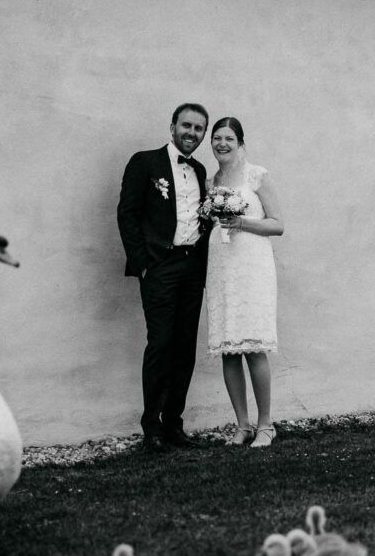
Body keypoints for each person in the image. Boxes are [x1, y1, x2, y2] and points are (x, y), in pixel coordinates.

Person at [117, 103, 211, 452]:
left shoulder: (200, 170)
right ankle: (151, 427)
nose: (192, 133)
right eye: (186, 125)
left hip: (192, 267)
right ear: (172, 126)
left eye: (199, 128)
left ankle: (174, 425)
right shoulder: (145, 162)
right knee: (160, 344)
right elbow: (127, 213)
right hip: (159, 266)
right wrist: (143, 263)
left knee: (185, 347)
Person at [204, 117, 285, 448]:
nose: (222, 143)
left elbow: (277, 224)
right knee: (228, 349)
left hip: (252, 265)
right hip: (222, 266)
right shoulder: (212, 182)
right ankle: (242, 425)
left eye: (228, 138)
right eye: (217, 138)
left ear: (240, 143)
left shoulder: (257, 175)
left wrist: (242, 222)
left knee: (253, 347)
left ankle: (266, 424)